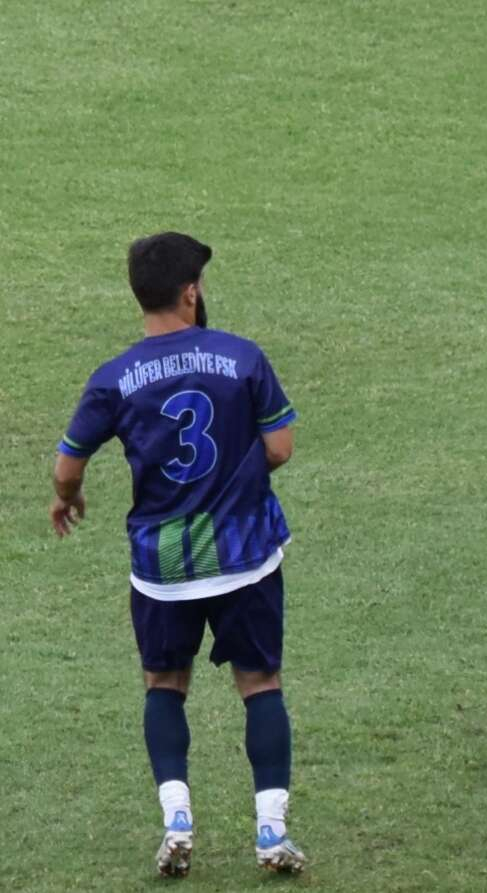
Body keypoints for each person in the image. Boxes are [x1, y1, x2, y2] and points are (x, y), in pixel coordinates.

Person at [49, 233, 306, 876]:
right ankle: (271, 833)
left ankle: (178, 822)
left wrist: (68, 499)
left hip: (163, 567)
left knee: (164, 685)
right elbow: (280, 448)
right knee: (260, 684)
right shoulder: (242, 357)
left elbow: (67, 466)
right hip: (245, 553)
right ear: (191, 292)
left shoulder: (114, 378)